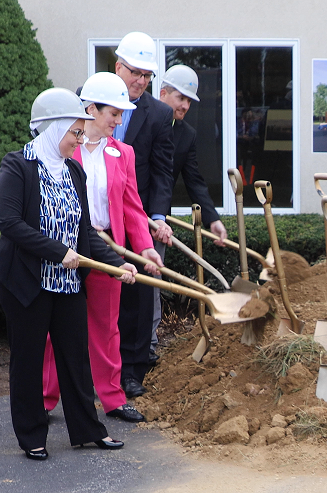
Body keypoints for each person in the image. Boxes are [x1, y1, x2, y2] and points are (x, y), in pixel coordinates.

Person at [0, 88, 138, 460]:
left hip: (67, 282)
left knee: (75, 356)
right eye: (74, 131)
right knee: (28, 358)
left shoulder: (73, 170)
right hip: (26, 281)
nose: (78, 139)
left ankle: (88, 429)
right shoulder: (17, 165)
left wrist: (119, 264)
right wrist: (58, 252)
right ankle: (32, 436)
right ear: (53, 128)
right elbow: (10, 223)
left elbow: (85, 229)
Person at [40, 73, 164, 424]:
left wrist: (145, 249)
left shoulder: (122, 153)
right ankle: (45, 399)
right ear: (91, 109)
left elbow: (132, 206)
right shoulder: (64, 146)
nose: (119, 121)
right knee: (56, 326)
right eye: (114, 113)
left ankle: (112, 398)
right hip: (66, 249)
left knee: (107, 327)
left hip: (109, 249)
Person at [112, 32, 175, 398]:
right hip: (99, 218)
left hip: (138, 219)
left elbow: (163, 171)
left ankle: (132, 372)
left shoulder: (160, 114)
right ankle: (95, 368)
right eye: (135, 72)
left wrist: (157, 217)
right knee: (101, 296)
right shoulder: (89, 97)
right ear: (118, 66)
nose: (141, 81)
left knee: (137, 298)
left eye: (147, 75)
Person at [156, 65, 229, 358]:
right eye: (180, 97)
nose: (185, 105)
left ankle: (145, 355)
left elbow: (195, 180)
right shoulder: (139, 119)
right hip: (128, 215)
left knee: (152, 287)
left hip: (158, 222)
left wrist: (213, 219)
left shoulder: (186, 134)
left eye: (189, 100)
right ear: (163, 93)